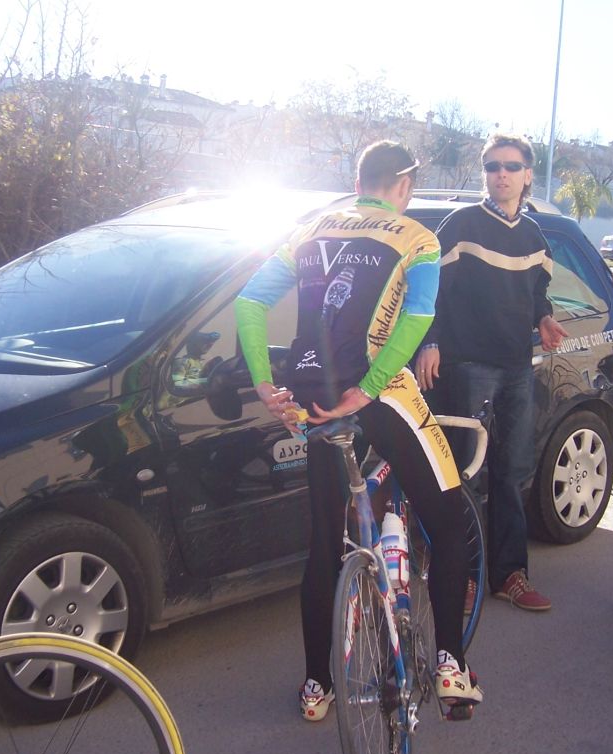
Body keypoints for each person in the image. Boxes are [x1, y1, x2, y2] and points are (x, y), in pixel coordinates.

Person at [235, 140, 482, 721]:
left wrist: (265, 384)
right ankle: (450, 663)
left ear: (357, 182)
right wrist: (369, 388)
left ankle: (315, 687)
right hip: (377, 392)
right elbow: (418, 316)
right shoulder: (416, 238)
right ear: (405, 186)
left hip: (311, 394)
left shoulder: (310, 230)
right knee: (448, 520)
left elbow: (249, 303)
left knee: (325, 541)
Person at [415, 133, 568, 612]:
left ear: (527, 174)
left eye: (511, 166)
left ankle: (509, 576)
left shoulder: (535, 236)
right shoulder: (461, 224)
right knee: (464, 473)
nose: (500, 174)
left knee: (511, 472)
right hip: (467, 366)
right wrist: (430, 342)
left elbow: (536, 292)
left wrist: (544, 318)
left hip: (517, 367)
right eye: (492, 166)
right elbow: (429, 290)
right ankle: (459, 576)